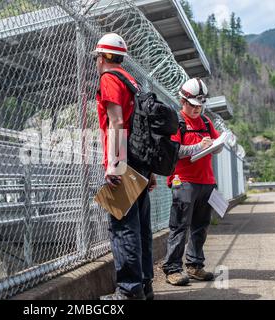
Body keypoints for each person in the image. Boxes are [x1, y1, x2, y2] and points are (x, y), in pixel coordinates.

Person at [93, 33, 157, 300]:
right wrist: (150, 170)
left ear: (104, 57)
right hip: (140, 161)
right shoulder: (133, 82)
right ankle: (145, 286)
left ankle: (130, 292)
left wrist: (115, 165)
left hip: (123, 161)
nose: (96, 61)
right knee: (141, 227)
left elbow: (117, 123)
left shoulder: (109, 79)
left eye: (97, 56)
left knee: (123, 227)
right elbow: (143, 127)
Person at [162, 77, 223, 286]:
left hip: (206, 181)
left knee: (201, 225)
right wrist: (198, 146)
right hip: (184, 181)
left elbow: (216, 143)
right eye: (193, 106)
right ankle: (173, 269)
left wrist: (219, 143)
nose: (197, 110)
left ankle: (195, 265)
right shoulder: (176, 122)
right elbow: (174, 152)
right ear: (183, 101)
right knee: (180, 225)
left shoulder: (206, 122)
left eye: (200, 106)